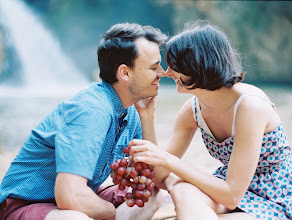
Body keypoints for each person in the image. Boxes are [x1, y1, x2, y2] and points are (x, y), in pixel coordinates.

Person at [0, 22, 167, 220]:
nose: (162, 73)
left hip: (72, 197)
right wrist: (111, 213)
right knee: (75, 217)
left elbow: (156, 177)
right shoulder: (93, 110)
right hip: (25, 204)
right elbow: (70, 195)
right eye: (154, 67)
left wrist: (147, 118)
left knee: (152, 193)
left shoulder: (130, 110)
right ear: (125, 73)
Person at [129, 21, 292, 220]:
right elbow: (158, 176)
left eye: (174, 65)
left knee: (185, 191)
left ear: (197, 64)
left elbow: (232, 195)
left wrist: (169, 161)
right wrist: (147, 117)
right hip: (226, 188)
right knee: (182, 190)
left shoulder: (250, 106)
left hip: (275, 195)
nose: (167, 73)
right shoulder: (192, 110)